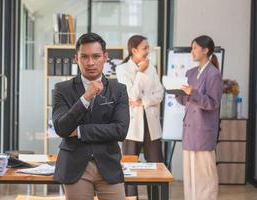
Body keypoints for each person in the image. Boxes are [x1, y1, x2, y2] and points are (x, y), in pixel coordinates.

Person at [52, 32, 130, 200]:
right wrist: (86, 97)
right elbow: (61, 128)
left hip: (108, 164)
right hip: (75, 165)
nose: (90, 63)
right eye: (84, 57)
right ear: (76, 58)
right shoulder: (62, 89)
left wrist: (80, 131)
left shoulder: (119, 90)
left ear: (105, 57)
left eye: (96, 56)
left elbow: (120, 130)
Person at [175, 35, 223, 200]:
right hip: (189, 129)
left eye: (195, 47)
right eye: (192, 47)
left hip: (203, 130)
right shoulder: (191, 72)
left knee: (205, 177)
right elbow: (186, 101)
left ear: (205, 50)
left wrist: (192, 93)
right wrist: (177, 92)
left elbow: (213, 103)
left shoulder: (214, 74)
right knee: (190, 177)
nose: (192, 51)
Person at [116, 35, 164, 197]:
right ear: (134, 50)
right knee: (129, 167)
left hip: (151, 123)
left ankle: (156, 197)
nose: (147, 51)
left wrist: (143, 102)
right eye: (145, 48)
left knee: (156, 165)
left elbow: (160, 93)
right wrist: (141, 73)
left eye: (148, 48)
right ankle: (130, 197)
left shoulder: (152, 68)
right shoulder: (122, 69)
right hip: (131, 126)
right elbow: (131, 94)